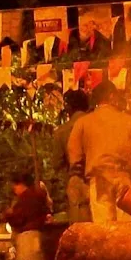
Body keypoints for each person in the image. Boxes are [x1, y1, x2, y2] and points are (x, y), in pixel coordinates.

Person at [67, 81, 131, 224]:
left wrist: (78, 176)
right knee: (126, 228)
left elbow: (74, 154)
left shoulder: (83, 122)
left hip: (99, 180)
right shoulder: (129, 121)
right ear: (111, 97)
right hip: (125, 179)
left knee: (104, 228)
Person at [2, 171, 53, 260]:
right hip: (36, 233)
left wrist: (8, 215)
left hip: (28, 235)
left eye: (15, 185)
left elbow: (19, 219)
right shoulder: (38, 196)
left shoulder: (25, 199)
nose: (14, 189)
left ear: (21, 184)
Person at [53, 90, 92, 222]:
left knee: (80, 232)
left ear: (68, 106)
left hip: (77, 181)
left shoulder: (62, 131)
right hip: (101, 180)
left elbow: (56, 163)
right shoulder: (101, 124)